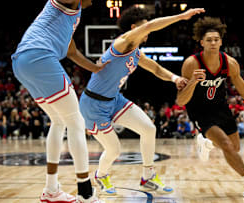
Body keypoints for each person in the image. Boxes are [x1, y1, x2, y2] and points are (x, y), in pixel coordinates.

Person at [79, 7, 204, 195]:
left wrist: (175, 78)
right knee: (113, 150)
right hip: (93, 104)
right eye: (144, 27)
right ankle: (100, 175)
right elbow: (152, 26)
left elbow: (156, 69)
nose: (148, 31)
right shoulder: (122, 42)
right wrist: (181, 16)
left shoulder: (136, 53)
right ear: (133, 27)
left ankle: (148, 177)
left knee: (148, 128)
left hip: (114, 100)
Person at [11, 0, 107, 202]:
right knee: (76, 122)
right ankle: (85, 192)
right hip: (40, 56)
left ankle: (51, 189)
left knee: (59, 121)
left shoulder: (75, 13)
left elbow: (71, 51)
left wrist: (94, 68)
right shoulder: (66, 3)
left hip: (22, 62)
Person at [176, 17, 244, 197]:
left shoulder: (230, 63)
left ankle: (205, 143)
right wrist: (193, 81)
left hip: (220, 107)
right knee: (225, 144)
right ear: (201, 43)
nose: (213, 43)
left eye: (216, 39)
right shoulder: (191, 63)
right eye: (209, 40)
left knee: (234, 147)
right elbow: (181, 101)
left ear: (221, 41)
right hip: (200, 111)